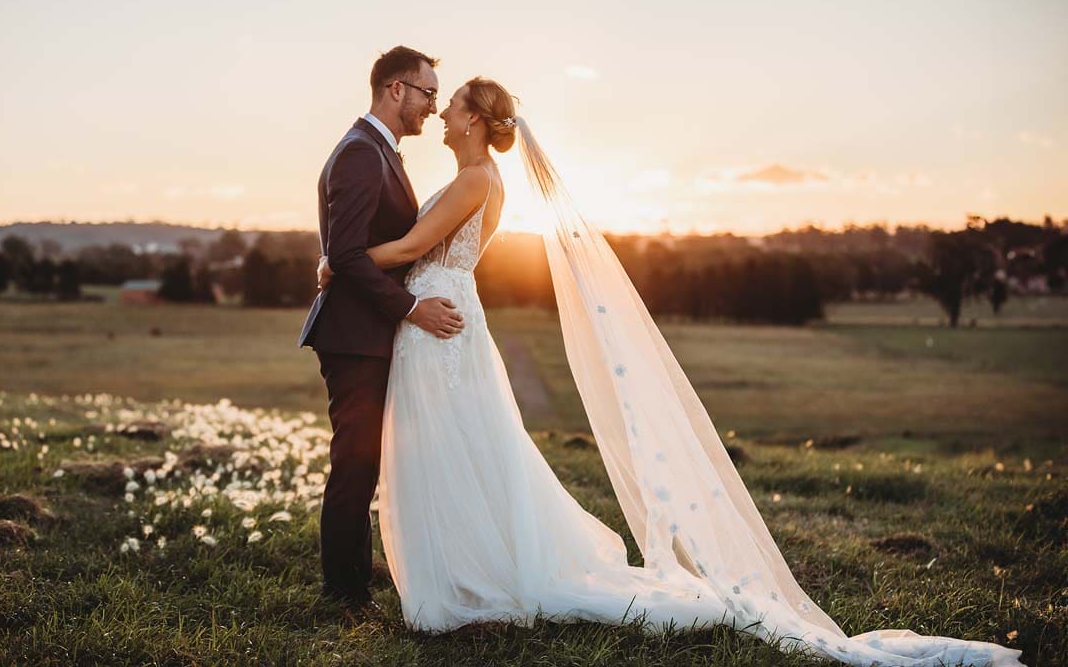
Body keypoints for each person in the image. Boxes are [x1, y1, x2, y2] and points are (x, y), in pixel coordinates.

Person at [316, 76, 1025, 667]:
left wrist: (336, 261)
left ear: (473, 118)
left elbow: (409, 243)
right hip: (437, 319)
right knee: (454, 451)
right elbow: (412, 247)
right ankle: (463, 575)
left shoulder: (476, 180)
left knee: (456, 450)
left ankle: (469, 583)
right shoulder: (469, 174)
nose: (440, 112)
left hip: (441, 325)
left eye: (450, 104)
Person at [298, 46, 465, 609]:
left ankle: (354, 581)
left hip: (365, 330)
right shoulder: (361, 154)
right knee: (354, 461)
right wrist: (411, 308)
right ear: (396, 89)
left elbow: (345, 251)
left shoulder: (378, 151)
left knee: (363, 460)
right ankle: (341, 591)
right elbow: (345, 254)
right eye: (427, 93)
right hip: (352, 335)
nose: (432, 107)